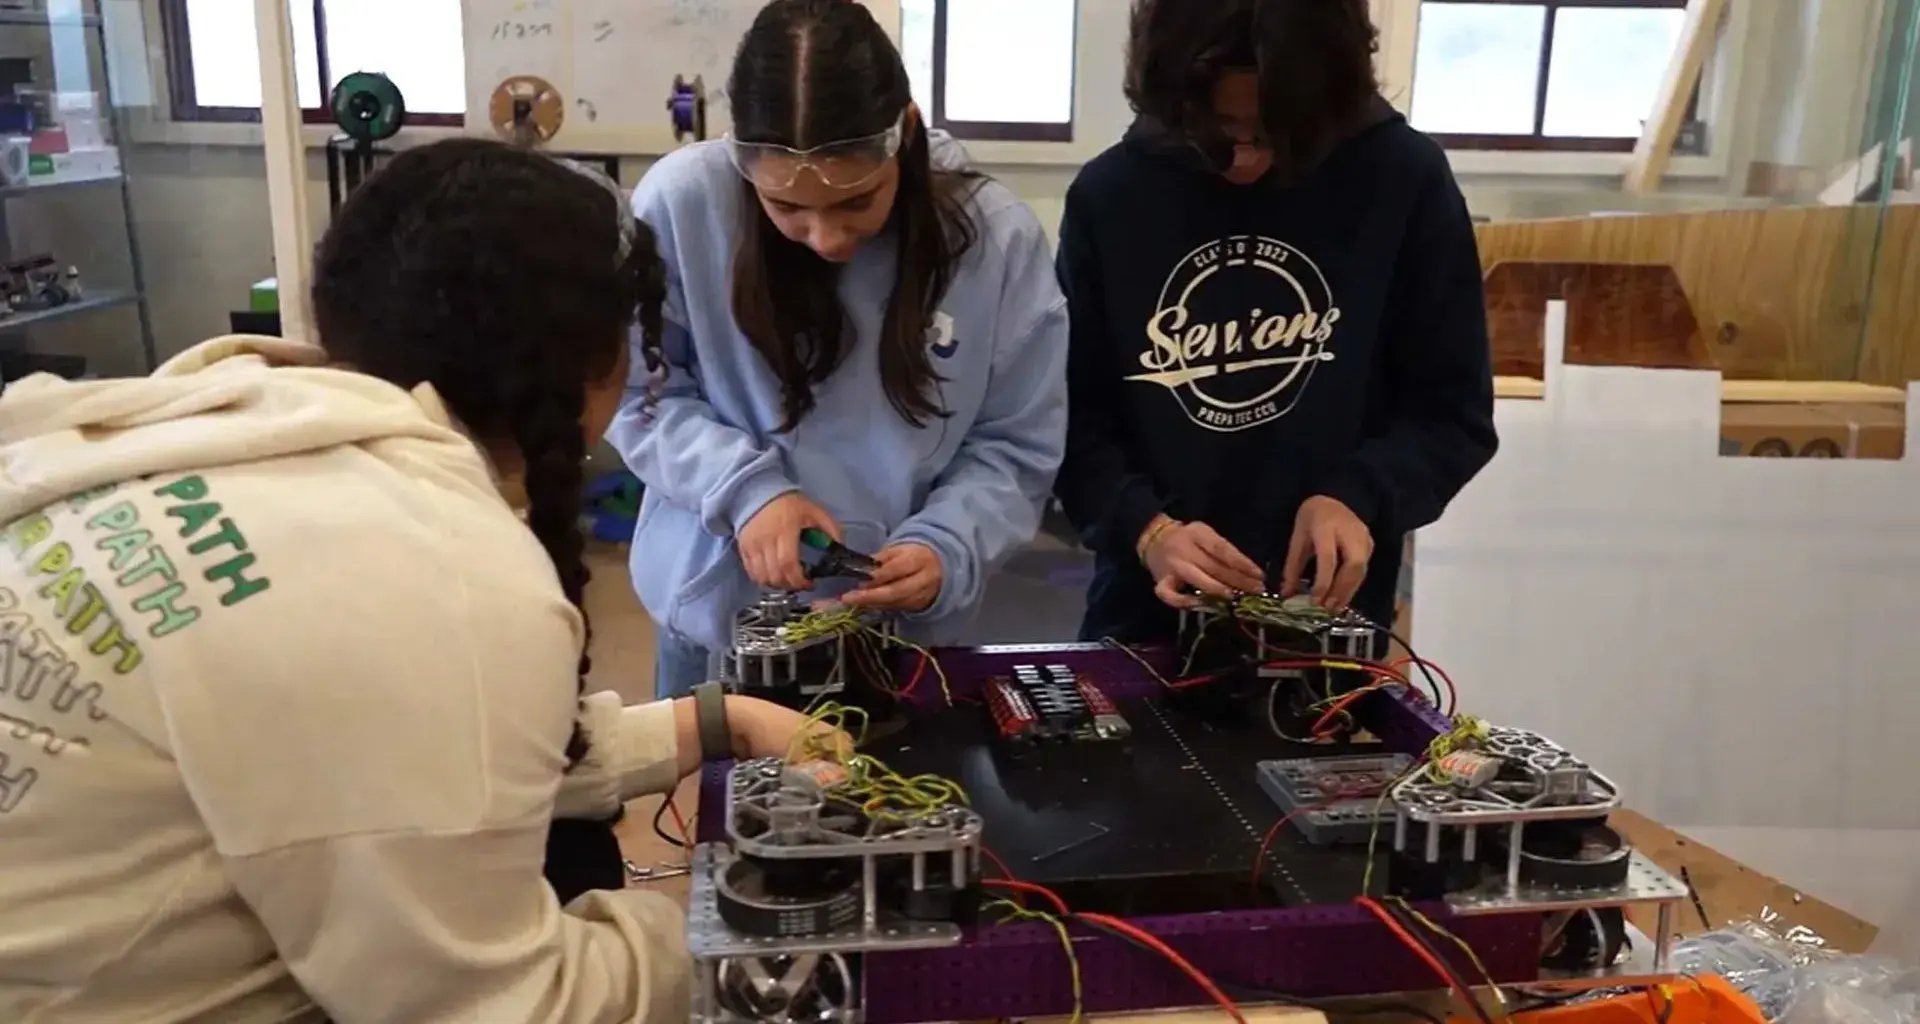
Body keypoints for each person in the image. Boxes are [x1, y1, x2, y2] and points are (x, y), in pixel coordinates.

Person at [0, 138, 824, 1023]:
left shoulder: (202, 418)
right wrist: (726, 938)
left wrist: (715, 719)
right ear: (596, 367)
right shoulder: (437, 571)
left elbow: (382, 739)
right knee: (579, 874)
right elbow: (504, 1007)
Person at [610, 0, 1069, 697]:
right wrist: (746, 493)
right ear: (743, 162)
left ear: (904, 137)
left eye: (856, 201)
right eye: (786, 207)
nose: (825, 238)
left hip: (906, 639)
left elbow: (1015, 444)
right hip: (721, 624)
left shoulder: (994, 239)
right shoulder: (681, 205)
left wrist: (948, 544)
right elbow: (639, 391)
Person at [1052, 0, 1499, 643]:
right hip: (1145, 619)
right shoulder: (1112, 196)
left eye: (1274, 135)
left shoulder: (1403, 181)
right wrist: (1147, 529)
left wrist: (1358, 497)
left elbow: (1452, 413)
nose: (1244, 161)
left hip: (1327, 624)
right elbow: (1069, 419)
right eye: (1216, 131)